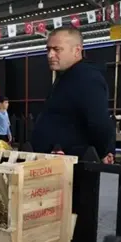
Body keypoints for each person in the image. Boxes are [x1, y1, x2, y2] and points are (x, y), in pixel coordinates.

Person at [30, 26, 114, 162]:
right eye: (48, 49)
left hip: (76, 165)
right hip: (57, 162)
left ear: (76, 50)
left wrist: (102, 152)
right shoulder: (66, 76)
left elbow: (99, 122)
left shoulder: (88, 78)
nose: (50, 55)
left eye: (57, 49)